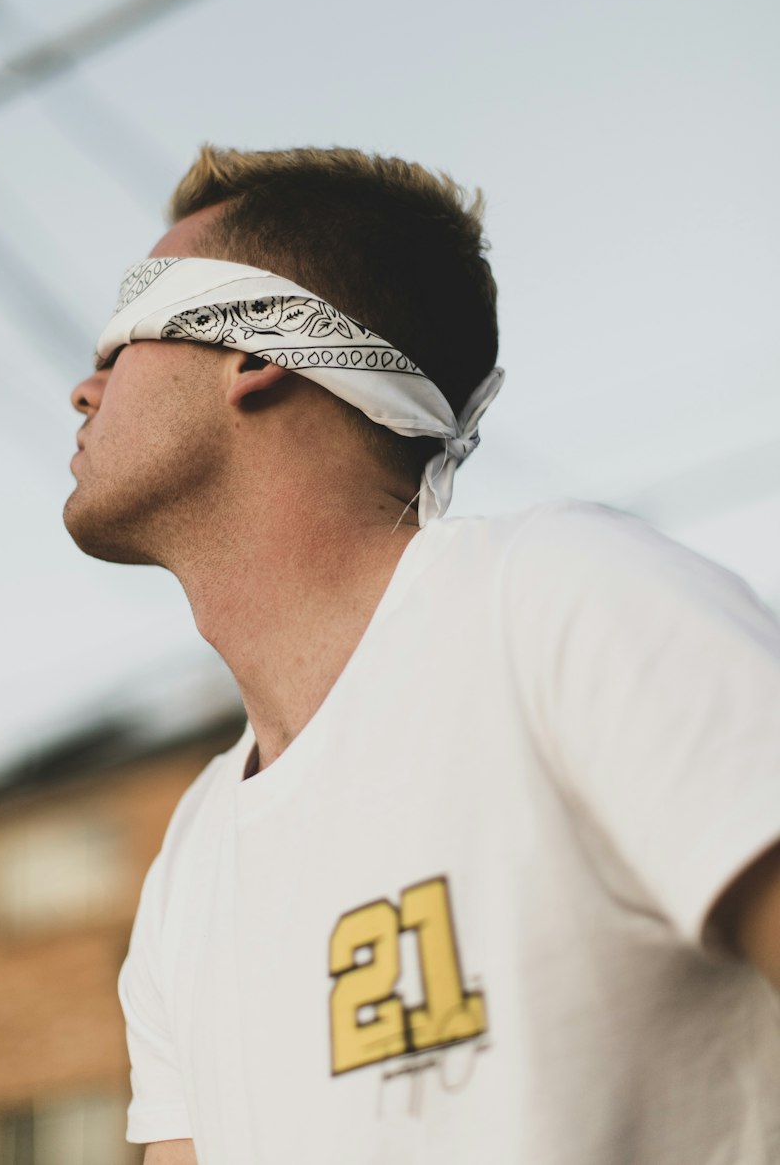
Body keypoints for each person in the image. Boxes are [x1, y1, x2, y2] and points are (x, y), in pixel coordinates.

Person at [64, 145, 780, 1165]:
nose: (83, 391)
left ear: (256, 349)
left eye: (119, 343)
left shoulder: (558, 604)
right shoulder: (190, 858)